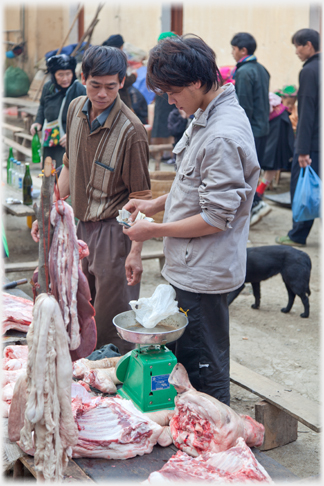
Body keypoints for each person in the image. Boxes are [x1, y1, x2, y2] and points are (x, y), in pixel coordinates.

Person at [121, 34, 260, 406]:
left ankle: (215, 447)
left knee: (204, 370)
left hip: (205, 271)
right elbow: (198, 189)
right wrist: (159, 204)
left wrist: (153, 231)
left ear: (196, 82)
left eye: (172, 91)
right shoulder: (207, 113)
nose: (169, 100)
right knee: (192, 362)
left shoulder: (221, 135)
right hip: (192, 266)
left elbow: (215, 218)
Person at [31, 45, 151, 354]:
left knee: (113, 321)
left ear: (122, 82)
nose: (102, 94)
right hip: (80, 228)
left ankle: (111, 390)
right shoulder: (75, 109)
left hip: (115, 233)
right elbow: (69, 165)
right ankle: (82, 383)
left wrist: (135, 251)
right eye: (95, 85)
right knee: (79, 309)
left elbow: (141, 197)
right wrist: (49, 210)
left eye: (111, 87)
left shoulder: (132, 131)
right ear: (83, 79)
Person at [276, 29, 320, 247]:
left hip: (312, 144)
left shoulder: (310, 71)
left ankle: (297, 235)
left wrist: (302, 149)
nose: (296, 52)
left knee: (303, 189)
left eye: (298, 46)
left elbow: (308, 113)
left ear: (309, 45)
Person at [230, 32, 271, 225]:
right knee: (253, 170)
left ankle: (254, 204)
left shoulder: (245, 72)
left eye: (234, 49)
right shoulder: (262, 69)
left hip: (250, 131)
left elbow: (244, 106)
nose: (232, 52)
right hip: (262, 129)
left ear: (243, 50)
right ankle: (254, 203)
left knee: (243, 172)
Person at [31, 54, 86, 169]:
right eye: (60, 75)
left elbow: (86, 117)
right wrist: (38, 122)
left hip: (67, 141)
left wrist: (72, 135)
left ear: (73, 73)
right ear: (54, 75)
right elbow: (42, 105)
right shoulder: (48, 87)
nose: (65, 78)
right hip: (50, 137)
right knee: (48, 171)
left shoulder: (79, 90)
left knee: (63, 172)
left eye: (68, 74)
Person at [250, 92, 295, 225]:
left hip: (277, 123)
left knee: (272, 159)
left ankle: (258, 197)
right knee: (269, 160)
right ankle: (257, 197)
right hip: (274, 121)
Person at [102, 34, 137, 109]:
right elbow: (124, 82)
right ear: (121, 46)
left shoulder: (103, 56)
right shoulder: (117, 59)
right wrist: (134, 76)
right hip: (119, 100)